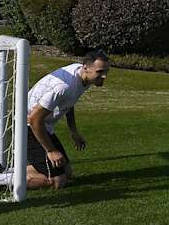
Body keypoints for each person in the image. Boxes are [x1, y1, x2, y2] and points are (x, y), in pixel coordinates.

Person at [26, 50, 111, 190]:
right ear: (85, 68)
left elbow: (69, 102)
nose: (105, 76)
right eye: (100, 71)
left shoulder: (85, 77)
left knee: (67, 172)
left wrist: (74, 131)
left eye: (107, 71)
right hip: (28, 126)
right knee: (57, 181)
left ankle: (12, 171)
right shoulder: (63, 86)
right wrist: (50, 150)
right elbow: (34, 118)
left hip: (43, 125)